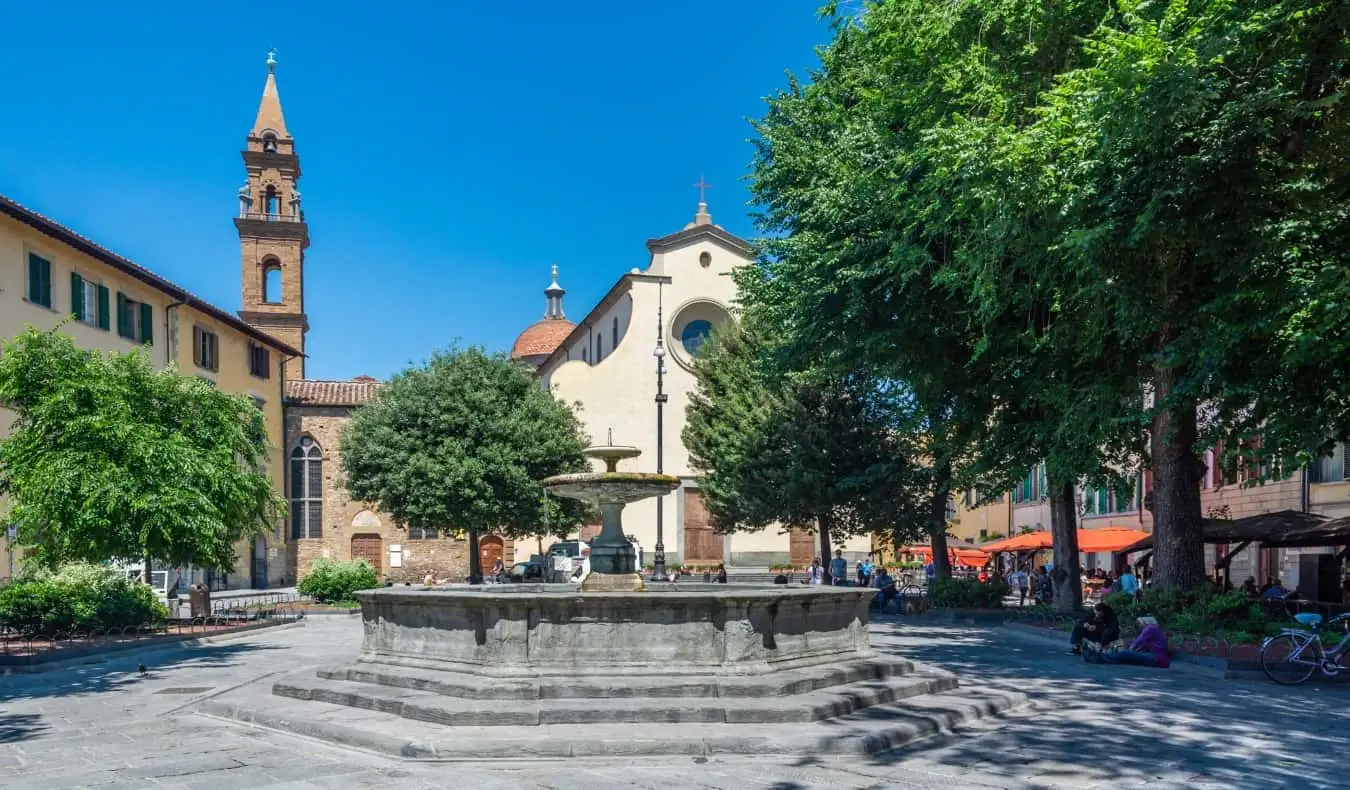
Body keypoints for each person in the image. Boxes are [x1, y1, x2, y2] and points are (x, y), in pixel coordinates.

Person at [1088, 616, 1170, 667]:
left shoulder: (1150, 628)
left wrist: (1129, 650)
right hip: (1159, 660)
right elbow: (1140, 646)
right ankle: (1102, 656)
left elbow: (1137, 642)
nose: (1138, 626)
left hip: (1156, 659)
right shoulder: (1155, 630)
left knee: (1125, 654)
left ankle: (1100, 658)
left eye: (1139, 623)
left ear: (1145, 622)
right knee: (1126, 656)